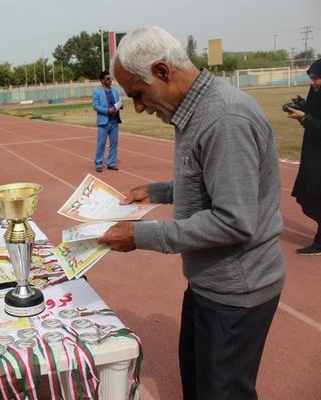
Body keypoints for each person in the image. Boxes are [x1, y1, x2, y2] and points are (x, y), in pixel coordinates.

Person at [97, 26, 285, 400]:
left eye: (138, 93)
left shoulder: (224, 118)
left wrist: (140, 236)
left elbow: (233, 221)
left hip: (237, 291)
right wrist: (158, 190)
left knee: (223, 393)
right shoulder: (194, 109)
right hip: (210, 284)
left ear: (163, 72)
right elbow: (207, 179)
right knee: (201, 388)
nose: (138, 107)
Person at [286, 58, 321, 256]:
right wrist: (303, 109)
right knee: (308, 195)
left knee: (314, 196)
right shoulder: (316, 92)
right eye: (311, 78)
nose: (312, 82)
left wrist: (305, 117)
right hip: (312, 152)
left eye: (316, 78)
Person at [92, 70, 122, 172]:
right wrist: (106, 110)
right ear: (102, 80)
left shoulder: (115, 91)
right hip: (103, 121)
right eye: (108, 79)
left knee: (114, 143)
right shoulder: (97, 92)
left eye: (111, 79)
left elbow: (118, 103)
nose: (110, 81)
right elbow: (95, 106)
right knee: (101, 143)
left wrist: (120, 106)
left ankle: (111, 163)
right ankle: (99, 163)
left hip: (114, 121)